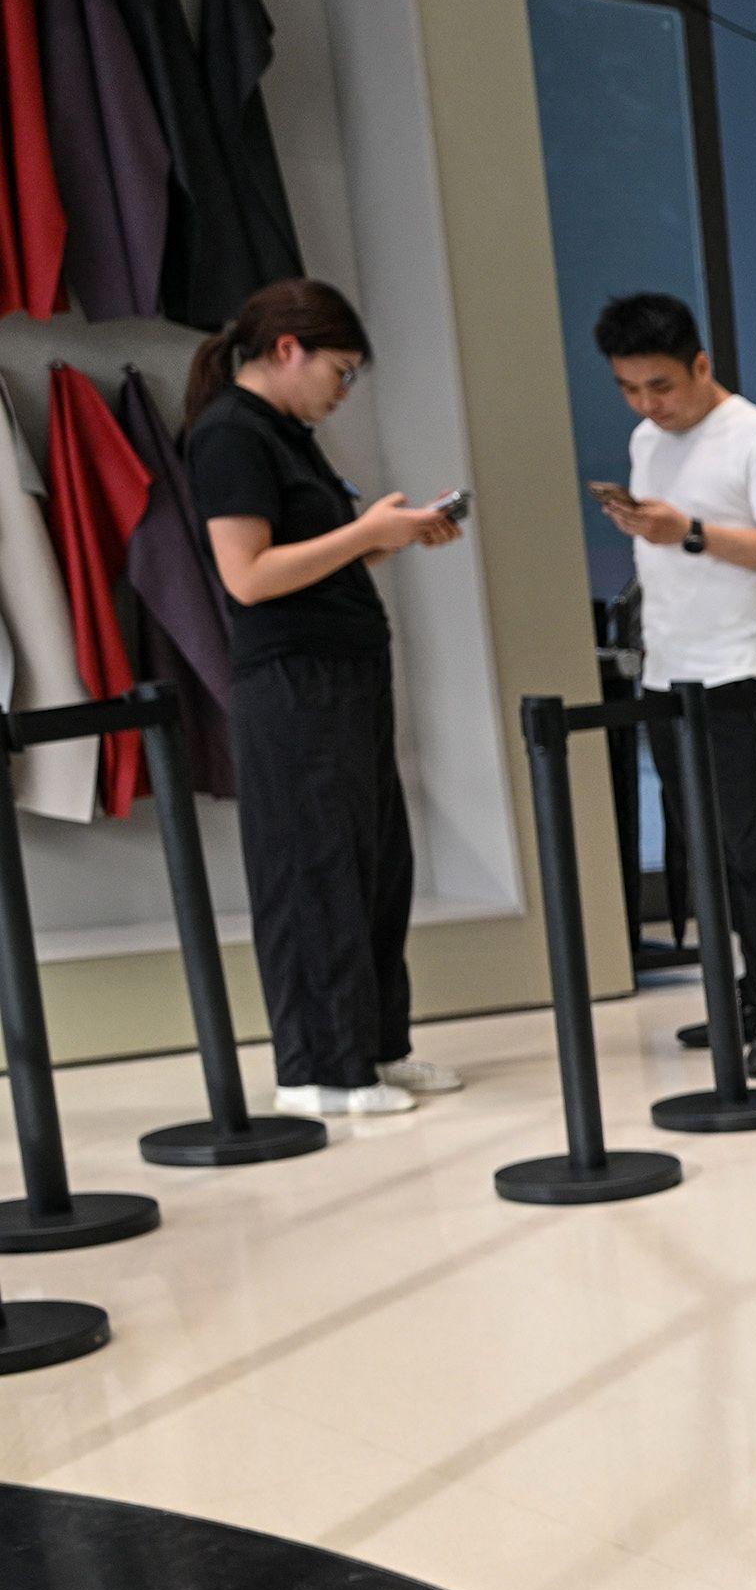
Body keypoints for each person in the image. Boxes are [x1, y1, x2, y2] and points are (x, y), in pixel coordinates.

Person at [185, 278, 466, 1122]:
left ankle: (375, 1046)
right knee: (314, 868)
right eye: (339, 372)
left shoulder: (286, 435)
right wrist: (365, 533)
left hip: (343, 674)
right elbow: (247, 575)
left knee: (373, 862)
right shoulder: (229, 434)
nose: (343, 391)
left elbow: (315, 558)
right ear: (288, 350)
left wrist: (391, 536)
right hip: (292, 681)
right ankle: (318, 1068)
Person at [590, 292, 756, 1076]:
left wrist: (687, 532)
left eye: (660, 385)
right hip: (668, 670)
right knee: (702, 852)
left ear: (700, 364)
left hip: (741, 670)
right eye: (628, 388)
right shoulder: (645, 440)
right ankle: (738, 1000)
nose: (647, 404)